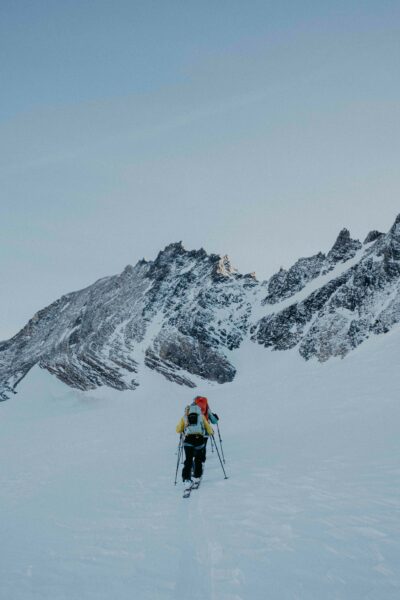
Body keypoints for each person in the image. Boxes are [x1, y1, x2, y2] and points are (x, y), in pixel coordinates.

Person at [176, 402, 214, 490]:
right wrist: (210, 432)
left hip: (188, 440)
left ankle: (186, 479)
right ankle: (197, 476)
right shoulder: (201, 416)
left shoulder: (185, 417)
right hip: (199, 440)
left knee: (188, 460)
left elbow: (178, 430)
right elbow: (209, 429)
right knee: (198, 459)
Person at [193, 396, 219, 463]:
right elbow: (213, 421)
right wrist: (216, 418)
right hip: (205, 431)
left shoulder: (191, 407)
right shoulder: (206, 406)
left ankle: (195, 460)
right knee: (203, 446)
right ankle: (202, 461)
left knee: (195, 445)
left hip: (193, 431)